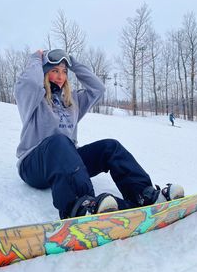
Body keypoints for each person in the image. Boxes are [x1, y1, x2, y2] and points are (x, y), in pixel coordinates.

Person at [15, 48, 184, 219]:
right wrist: (36, 58)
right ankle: (81, 205)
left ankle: (143, 194)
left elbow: (98, 88)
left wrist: (73, 63)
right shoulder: (34, 99)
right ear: (44, 72)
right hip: (34, 165)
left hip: (66, 163)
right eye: (54, 71)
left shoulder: (72, 101)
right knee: (59, 141)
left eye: (64, 72)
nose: (60, 76)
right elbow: (30, 83)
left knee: (110, 147)